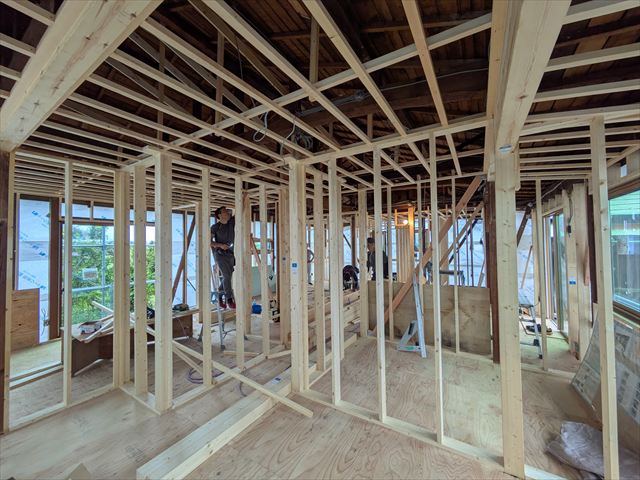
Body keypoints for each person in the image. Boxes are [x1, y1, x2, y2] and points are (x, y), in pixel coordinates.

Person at [211, 206, 236, 309]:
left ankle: (220, 295)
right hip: (220, 254)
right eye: (225, 211)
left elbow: (240, 210)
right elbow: (209, 242)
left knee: (228, 276)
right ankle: (229, 300)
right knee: (226, 276)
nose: (228, 213)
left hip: (230, 254)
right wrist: (221, 245)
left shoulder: (231, 222)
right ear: (220, 215)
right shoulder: (215, 227)